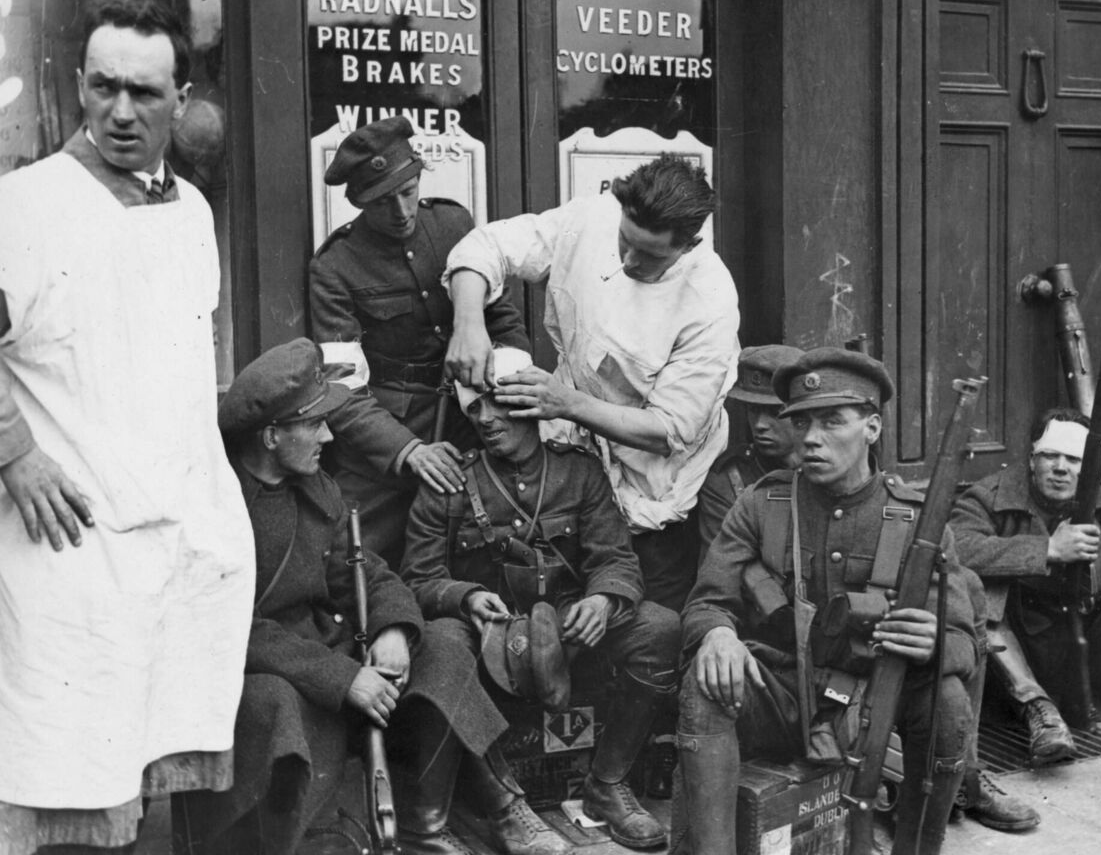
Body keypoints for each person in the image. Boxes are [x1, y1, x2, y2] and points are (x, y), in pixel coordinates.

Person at [0, 0, 256, 855]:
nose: (120, 111)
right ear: (77, 84)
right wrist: (17, 453)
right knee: (60, 775)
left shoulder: (191, 213)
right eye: (104, 86)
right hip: (66, 546)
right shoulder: (25, 206)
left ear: (181, 100)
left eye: (145, 93)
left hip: (170, 537)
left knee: (147, 771)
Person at [188, 338, 515, 855]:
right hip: (267, 673)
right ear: (271, 436)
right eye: (313, 423)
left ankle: (433, 821)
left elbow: (368, 571)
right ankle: (319, 840)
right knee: (280, 705)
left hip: (334, 651)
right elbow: (229, 627)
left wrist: (392, 631)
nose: (328, 433)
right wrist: (344, 680)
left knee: (446, 644)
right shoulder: (220, 507)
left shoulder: (316, 487)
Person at [675, 348, 980, 855]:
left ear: (873, 428)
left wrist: (934, 642)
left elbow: (965, 643)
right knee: (705, 681)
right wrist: (717, 634)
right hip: (783, 693)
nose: (811, 438)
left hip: (876, 699)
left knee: (947, 701)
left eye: (832, 421)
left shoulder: (918, 523)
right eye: (803, 422)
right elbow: (707, 602)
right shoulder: (761, 503)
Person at [403, 347, 682, 851]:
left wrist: (602, 602)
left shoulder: (579, 472)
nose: (485, 419)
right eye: (474, 409)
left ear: (530, 403)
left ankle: (607, 784)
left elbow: (616, 561)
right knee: (441, 643)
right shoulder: (450, 482)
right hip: (487, 634)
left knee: (659, 626)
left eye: (496, 403)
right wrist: (464, 598)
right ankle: (507, 808)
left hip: (566, 633)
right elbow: (418, 578)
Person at [442, 155, 741, 612]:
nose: (627, 260)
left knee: (643, 620)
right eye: (625, 241)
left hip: (652, 494)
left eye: (649, 256)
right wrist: (469, 323)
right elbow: (487, 247)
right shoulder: (591, 217)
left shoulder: (711, 300)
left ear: (689, 244)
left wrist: (567, 403)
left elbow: (669, 431)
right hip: (571, 472)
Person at [309, 115, 529, 568]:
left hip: (472, 424)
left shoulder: (453, 224)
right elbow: (343, 389)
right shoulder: (334, 266)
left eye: (408, 192)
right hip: (388, 444)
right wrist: (407, 451)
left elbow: (502, 320)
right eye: (383, 202)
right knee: (351, 560)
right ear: (358, 201)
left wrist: (507, 391)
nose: (402, 211)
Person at [950, 408, 1101, 753]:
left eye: (1073, 459)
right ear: (1031, 459)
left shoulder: (1099, 499)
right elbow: (956, 547)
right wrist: (1047, 549)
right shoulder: (988, 497)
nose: (1060, 468)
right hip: (1014, 650)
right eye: (1050, 456)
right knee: (977, 588)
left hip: (1085, 643)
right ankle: (1039, 712)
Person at [695, 344, 804, 563]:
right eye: (753, 410)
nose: (760, 425)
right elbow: (720, 570)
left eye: (776, 412)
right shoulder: (728, 479)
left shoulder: (829, 472)